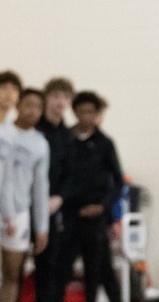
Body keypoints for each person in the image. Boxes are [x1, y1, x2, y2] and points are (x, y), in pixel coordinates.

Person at [58, 91, 123, 302]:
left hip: (94, 218)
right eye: (81, 111)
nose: (86, 116)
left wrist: (103, 207)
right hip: (68, 215)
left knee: (95, 272)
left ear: (96, 114)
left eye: (90, 112)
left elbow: (118, 181)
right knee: (62, 270)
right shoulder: (64, 139)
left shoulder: (105, 143)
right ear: (74, 112)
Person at [0, 89, 50, 302]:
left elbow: (40, 187)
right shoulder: (3, 133)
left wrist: (42, 227)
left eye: (38, 107)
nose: (33, 111)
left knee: (12, 275)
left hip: (20, 214)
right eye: (28, 104)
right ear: (18, 105)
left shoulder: (40, 144)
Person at [32, 78, 73, 302]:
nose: (59, 101)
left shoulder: (68, 136)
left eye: (64, 97)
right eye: (55, 96)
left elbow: (72, 174)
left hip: (55, 208)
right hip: (29, 206)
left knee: (54, 268)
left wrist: (60, 197)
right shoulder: (34, 131)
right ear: (46, 97)